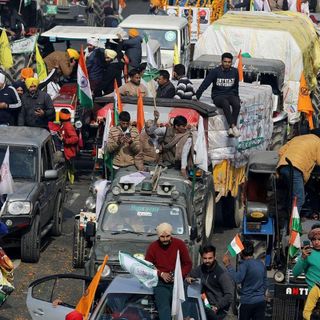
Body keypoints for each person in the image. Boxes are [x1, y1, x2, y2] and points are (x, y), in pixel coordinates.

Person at [145, 222, 192, 320]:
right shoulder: (153, 247)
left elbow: (187, 264)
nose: (165, 239)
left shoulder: (179, 244)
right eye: (162, 237)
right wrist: (161, 274)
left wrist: (178, 275)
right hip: (161, 284)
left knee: (183, 311)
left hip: (178, 282)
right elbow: (147, 266)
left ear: (171, 235)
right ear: (158, 236)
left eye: (167, 236)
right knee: (164, 310)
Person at [196, 52, 241, 138]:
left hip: (231, 94)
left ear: (231, 62)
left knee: (236, 104)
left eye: (229, 62)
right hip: (218, 95)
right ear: (221, 61)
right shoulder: (215, 71)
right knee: (225, 103)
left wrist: (237, 97)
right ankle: (233, 126)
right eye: (225, 61)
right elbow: (205, 83)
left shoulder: (235, 72)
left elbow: (236, 86)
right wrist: (197, 95)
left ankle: (231, 129)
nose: (227, 64)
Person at [222, 240, 267, 320]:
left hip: (247, 302)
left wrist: (228, 265)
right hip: (260, 302)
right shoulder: (261, 264)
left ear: (241, 253)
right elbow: (265, 283)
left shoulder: (244, 265)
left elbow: (237, 279)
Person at [186, 245, 233, 320]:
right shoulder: (201, 268)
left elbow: (229, 295)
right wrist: (189, 277)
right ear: (202, 258)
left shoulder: (221, 274)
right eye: (205, 258)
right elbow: (190, 274)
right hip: (206, 305)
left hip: (219, 309)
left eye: (210, 258)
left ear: (215, 257)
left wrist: (217, 306)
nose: (207, 261)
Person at [277, 134, 320, 214]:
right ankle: (293, 224)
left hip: (282, 166)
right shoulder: (318, 141)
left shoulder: (296, 138)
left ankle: (286, 218)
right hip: (295, 169)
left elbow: (281, 151)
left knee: (289, 194)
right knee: (299, 198)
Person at [293, 224, 320, 290]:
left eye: (319, 239)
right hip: (313, 296)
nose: (316, 242)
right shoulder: (307, 254)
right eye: (314, 239)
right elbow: (295, 273)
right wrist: (302, 258)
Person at [58, 109, 79, 184]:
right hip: (66, 151)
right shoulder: (64, 125)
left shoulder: (68, 126)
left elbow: (75, 138)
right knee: (66, 168)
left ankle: (70, 182)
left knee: (69, 168)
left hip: (68, 152)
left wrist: (65, 140)